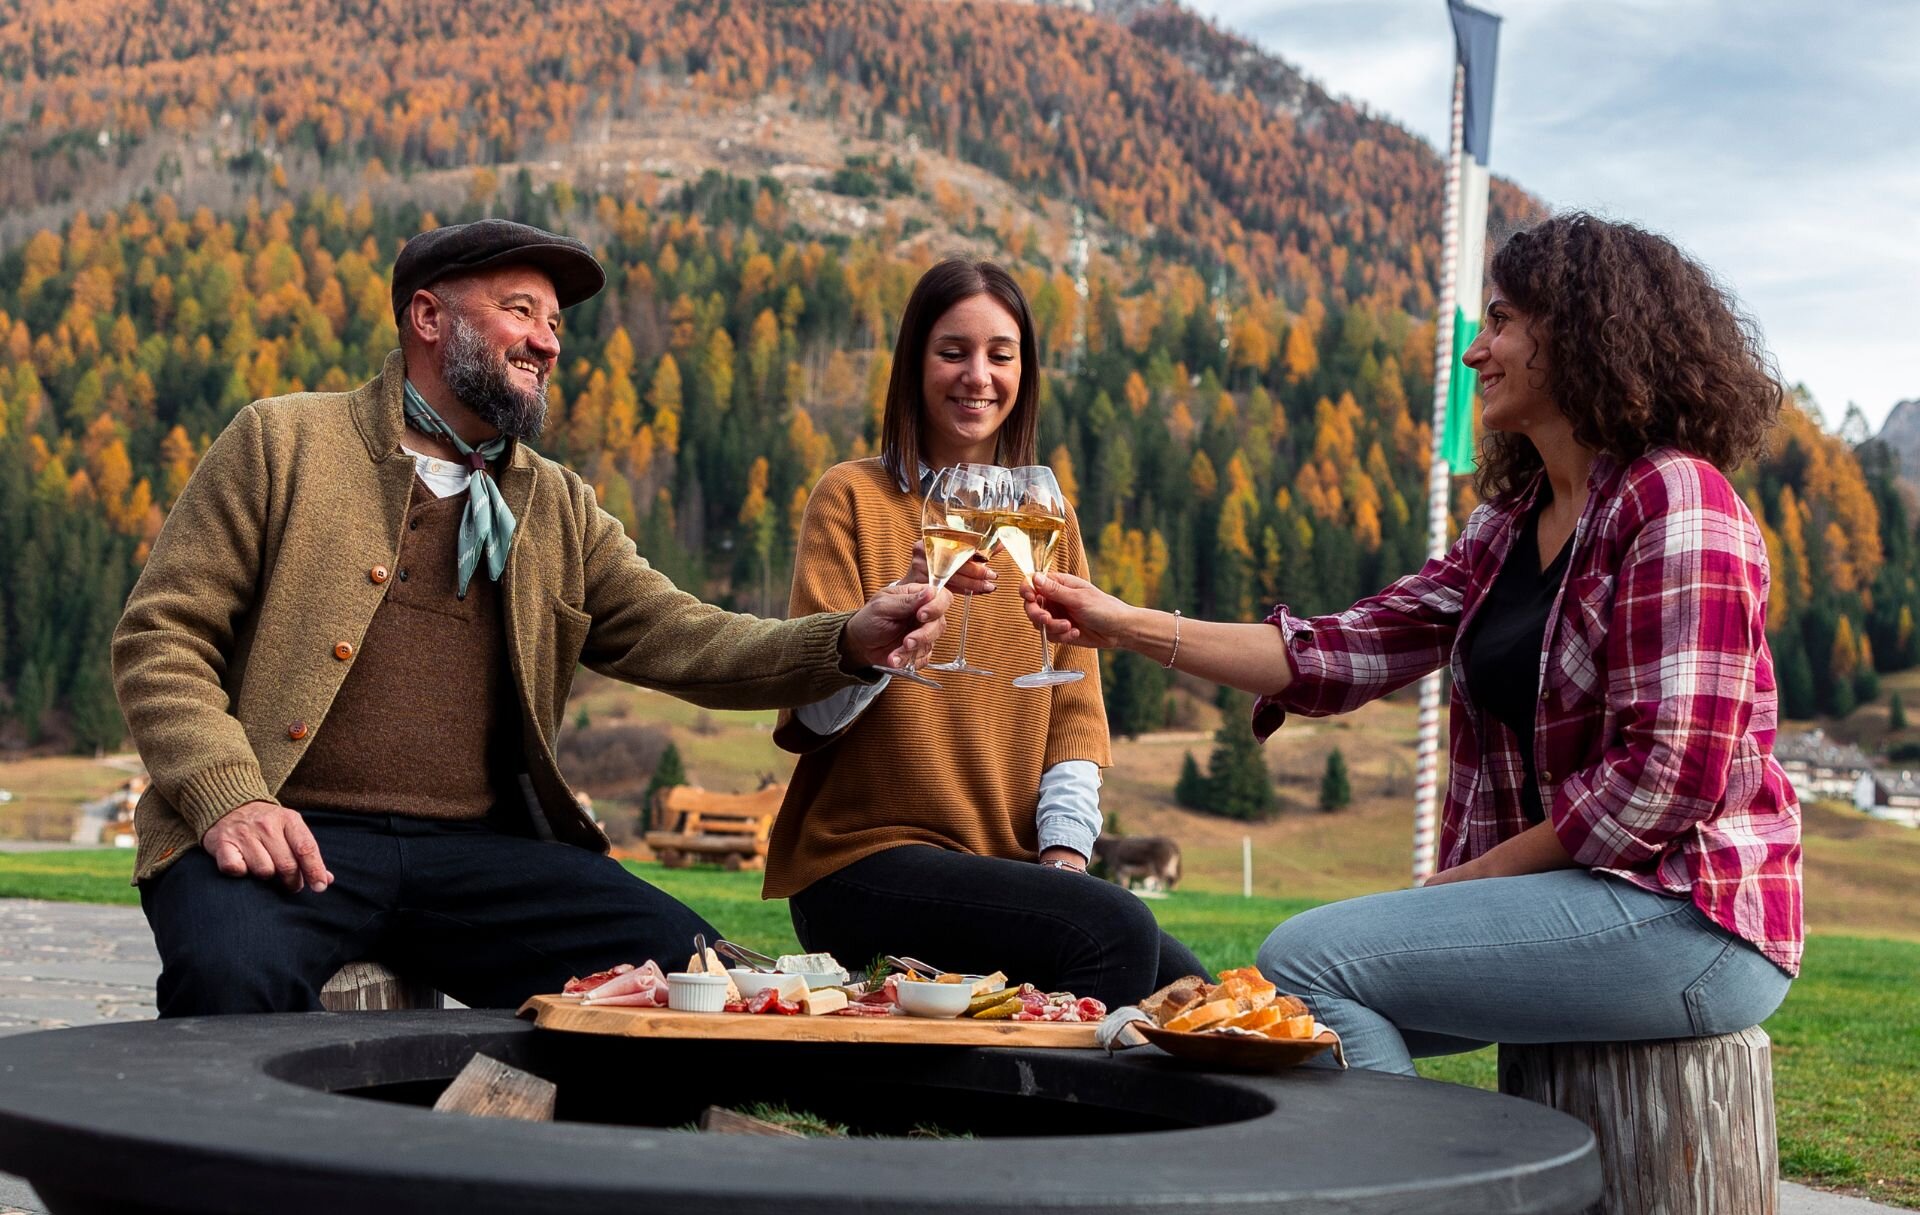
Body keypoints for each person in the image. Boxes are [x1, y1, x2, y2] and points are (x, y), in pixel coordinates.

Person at [113, 219, 950, 1017]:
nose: (549, 342)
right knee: (227, 983)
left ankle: (568, 1162)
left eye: (553, 323)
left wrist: (848, 638)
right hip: (286, 829)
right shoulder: (281, 442)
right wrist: (229, 799)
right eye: (520, 311)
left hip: (479, 856)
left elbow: (689, 638)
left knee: (693, 976)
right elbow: (162, 639)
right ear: (429, 316)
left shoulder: (554, 503)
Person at [1022, 213, 1800, 1071]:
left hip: (1692, 916)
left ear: (1580, 332)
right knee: (1274, 1024)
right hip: (1579, 905)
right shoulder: (1507, 531)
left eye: (1502, 321)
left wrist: (1485, 876)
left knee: (1305, 963)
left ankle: (1416, 1190)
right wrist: (1118, 623)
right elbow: (1336, 652)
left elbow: (1670, 777)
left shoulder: (1678, 499)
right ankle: (1437, 1184)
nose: (1477, 351)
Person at [761, 259, 1207, 1008]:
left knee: (1197, 991)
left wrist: (1063, 860)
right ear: (914, 364)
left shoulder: (1045, 516)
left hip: (1006, 865)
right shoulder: (852, 497)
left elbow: (1073, 717)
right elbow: (809, 713)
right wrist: (885, 643)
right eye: (952, 352)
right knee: (1113, 931)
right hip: (860, 862)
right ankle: (1036, 1111)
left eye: (1001, 356)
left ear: (1024, 373)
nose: (978, 376)